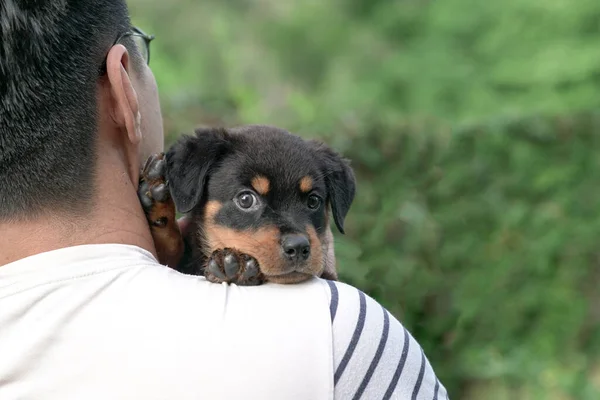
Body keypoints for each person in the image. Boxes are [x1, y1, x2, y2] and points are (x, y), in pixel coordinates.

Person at [0, 1, 449, 399]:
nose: (296, 239)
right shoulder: (334, 337)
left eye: (313, 204)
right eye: (249, 201)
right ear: (123, 90)